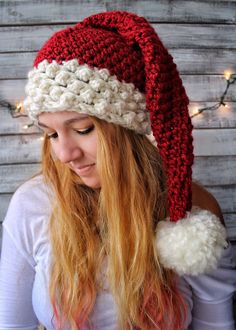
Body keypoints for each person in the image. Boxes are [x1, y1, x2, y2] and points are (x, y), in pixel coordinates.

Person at [0, 11, 235, 330]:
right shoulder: (33, 205)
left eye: (82, 129)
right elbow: (13, 324)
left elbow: (215, 325)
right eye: (51, 134)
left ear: (127, 130)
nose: (65, 154)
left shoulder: (189, 217)